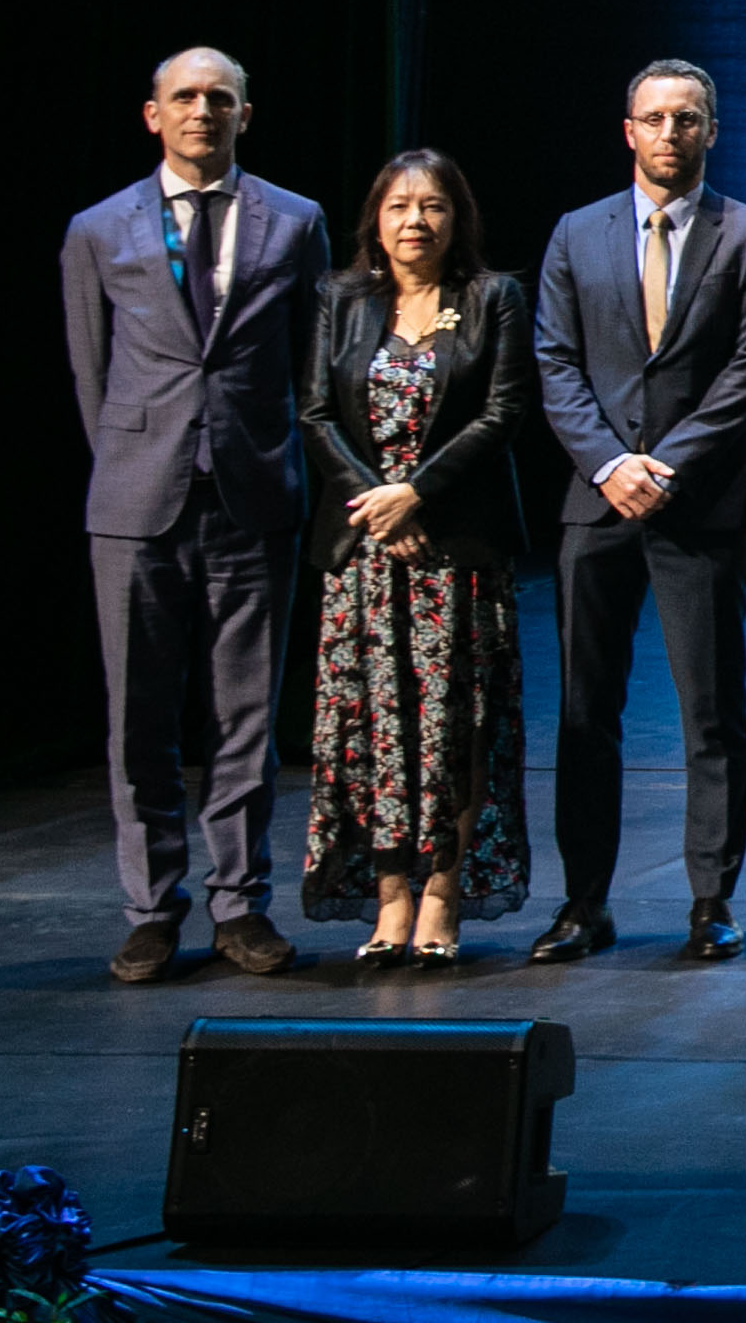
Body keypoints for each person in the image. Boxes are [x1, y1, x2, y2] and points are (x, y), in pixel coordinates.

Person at [64, 46, 329, 983]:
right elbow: (91, 370)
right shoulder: (99, 228)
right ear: (154, 114)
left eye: (220, 98)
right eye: (185, 97)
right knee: (138, 717)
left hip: (253, 497)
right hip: (139, 500)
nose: (202, 111)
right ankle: (150, 909)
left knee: (245, 716)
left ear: (244, 115)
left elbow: (312, 364)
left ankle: (238, 904)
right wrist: (136, 463)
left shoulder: (295, 221)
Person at [529, 57, 746, 965]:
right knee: (585, 711)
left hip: (700, 504)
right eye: (654, 118)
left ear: (711, 130)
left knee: (710, 711)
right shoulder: (577, 232)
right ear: (628, 130)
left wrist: (666, 465)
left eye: (687, 118)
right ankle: (583, 903)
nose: (670, 133)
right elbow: (554, 361)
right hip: (596, 501)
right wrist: (610, 464)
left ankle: (711, 900)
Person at [298, 150, 535, 962]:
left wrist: (417, 493)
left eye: (432, 205)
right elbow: (315, 413)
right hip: (364, 555)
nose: (415, 221)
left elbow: (502, 413)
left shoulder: (492, 297)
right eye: (399, 206)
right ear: (376, 218)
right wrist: (379, 504)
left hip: (454, 554)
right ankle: (389, 898)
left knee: (453, 730)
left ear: (455, 217)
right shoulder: (341, 298)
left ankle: (441, 895)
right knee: (372, 733)